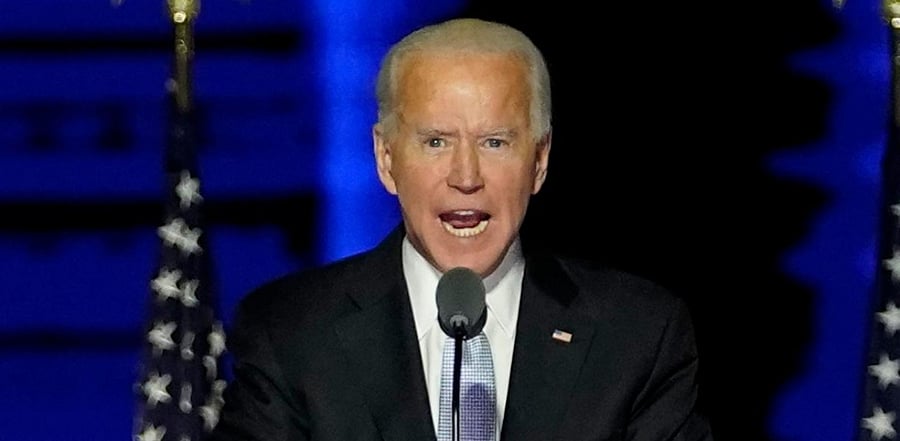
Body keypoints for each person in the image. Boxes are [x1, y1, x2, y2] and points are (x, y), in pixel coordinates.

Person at [209, 17, 713, 441]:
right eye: (435, 142)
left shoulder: (639, 337)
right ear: (386, 159)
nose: (465, 177)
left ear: (539, 161)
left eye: (495, 142)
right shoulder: (292, 336)